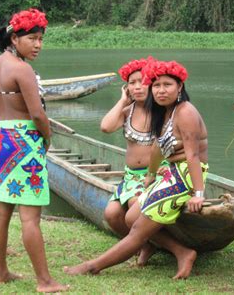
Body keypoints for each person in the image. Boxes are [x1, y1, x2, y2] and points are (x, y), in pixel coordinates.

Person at [64, 59, 208, 279]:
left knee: (137, 229)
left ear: (180, 87)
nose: (160, 91)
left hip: (186, 175)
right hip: (170, 171)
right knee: (131, 218)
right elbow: (159, 148)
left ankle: (93, 266)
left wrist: (198, 194)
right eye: (157, 85)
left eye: (167, 85)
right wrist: (151, 175)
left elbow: (193, 156)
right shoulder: (165, 111)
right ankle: (180, 250)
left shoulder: (185, 111)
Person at [0, 8, 68, 293]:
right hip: (23, 142)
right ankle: (45, 281)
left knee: (0, 211)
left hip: (0, 141)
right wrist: (46, 139)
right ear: (14, 37)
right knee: (30, 217)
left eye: (41, 39)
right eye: (32, 38)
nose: (38, 45)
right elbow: (37, 114)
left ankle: (1, 273)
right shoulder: (22, 69)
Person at [100, 58, 161, 265]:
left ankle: (169, 247)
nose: (137, 86)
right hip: (130, 177)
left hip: (155, 175)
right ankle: (145, 244)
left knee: (134, 204)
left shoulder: (162, 111)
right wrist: (122, 101)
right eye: (132, 82)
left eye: (142, 81)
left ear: (152, 83)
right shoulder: (127, 112)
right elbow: (106, 127)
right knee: (112, 214)